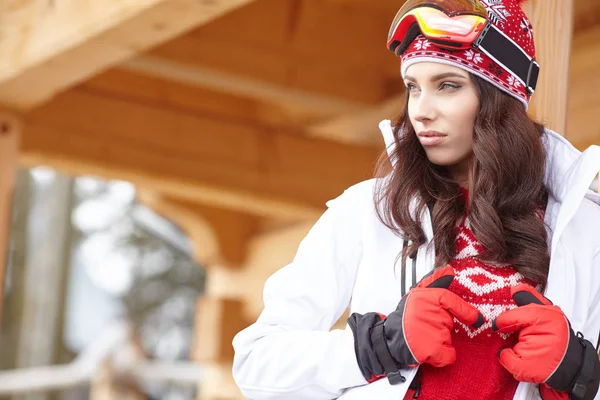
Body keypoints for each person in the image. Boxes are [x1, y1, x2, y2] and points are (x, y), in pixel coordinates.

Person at [232, 0, 600, 399]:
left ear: (501, 97)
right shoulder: (368, 211)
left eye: (448, 85)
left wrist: (579, 374)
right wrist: (372, 349)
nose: (421, 111)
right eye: (413, 87)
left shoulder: (586, 228)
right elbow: (256, 362)